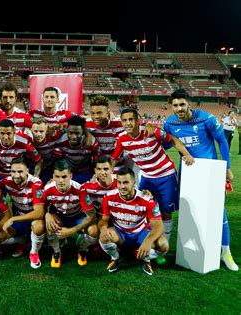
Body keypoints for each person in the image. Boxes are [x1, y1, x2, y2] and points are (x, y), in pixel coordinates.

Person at [164, 88, 238, 271]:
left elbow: (222, 141)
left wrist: (227, 167)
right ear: (171, 107)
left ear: (189, 104)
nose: (179, 108)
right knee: (189, 210)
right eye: (175, 105)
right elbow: (166, 144)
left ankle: (226, 252)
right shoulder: (169, 124)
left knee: (219, 211)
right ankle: (193, 250)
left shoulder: (207, 119)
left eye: (182, 104)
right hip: (188, 173)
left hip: (210, 171)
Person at [111, 108, 194, 257]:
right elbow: (114, 158)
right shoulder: (121, 139)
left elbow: (173, 140)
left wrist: (186, 154)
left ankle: (162, 250)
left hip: (166, 175)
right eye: (125, 120)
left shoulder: (152, 131)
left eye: (131, 119)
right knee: (141, 209)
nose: (128, 123)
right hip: (147, 178)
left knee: (166, 212)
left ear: (138, 120)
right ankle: (142, 241)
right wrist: (106, 175)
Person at [99, 167, 169, 276]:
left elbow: (158, 226)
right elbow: (103, 221)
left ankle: (144, 258)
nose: (122, 186)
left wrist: (147, 242)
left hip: (140, 233)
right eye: (119, 182)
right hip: (120, 233)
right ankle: (116, 257)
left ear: (134, 183)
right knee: (103, 237)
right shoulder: (109, 197)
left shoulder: (147, 199)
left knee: (164, 245)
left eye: (126, 182)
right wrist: (103, 229)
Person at [42, 159, 97, 268]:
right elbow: (40, 209)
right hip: (61, 216)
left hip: (78, 216)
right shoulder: (47, 189)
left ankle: (82, 248)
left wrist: (72, 230)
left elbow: (92, 216)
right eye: (57, 177)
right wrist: (46, 214)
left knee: (93, 230)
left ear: (70, 176)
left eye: (64, 177)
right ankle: (57, 251)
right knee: (50, 225)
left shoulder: (79, 189)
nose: (61, 180)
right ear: (53, 176)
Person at [0, 157, 46, 268]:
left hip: (34, 219)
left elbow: (39, 213)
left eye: (20, 171)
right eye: (13, 171)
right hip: (20, 220)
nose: (16, 175)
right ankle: (24, 241)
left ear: (27, 171)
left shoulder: (36, 184)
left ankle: (34, 252)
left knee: (37, 226)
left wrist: (12, 218)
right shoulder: (7, 181)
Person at [54, 116, 100, 184]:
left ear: (83, 132)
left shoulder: (92, 143)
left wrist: (95, 176)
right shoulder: (60, 141)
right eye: (70, 133)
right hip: (67, 172)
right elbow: (58, 162)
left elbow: (97, 162)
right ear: (67, 130)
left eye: (77, 133)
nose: (73, 137)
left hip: (85, 172)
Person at [85, 95, 125, 172]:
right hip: (98, 169)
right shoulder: (87, 125)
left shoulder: (120, 125)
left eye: (99, 113)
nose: (96, 116)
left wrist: (148, 125)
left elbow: (138, 125)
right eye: (93, 113)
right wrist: (87, 133)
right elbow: (74, 121)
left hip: (117, 168)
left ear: (107, 113)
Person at [30, 117, 64, 185]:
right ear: (31, 130)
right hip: (29, 167)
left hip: (48, 167)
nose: (38, 134)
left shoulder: (54, 136)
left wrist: (60, 125)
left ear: (46, 130)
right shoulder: (27, 139)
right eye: (35, 131)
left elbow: (67, 128)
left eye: (41, 131)